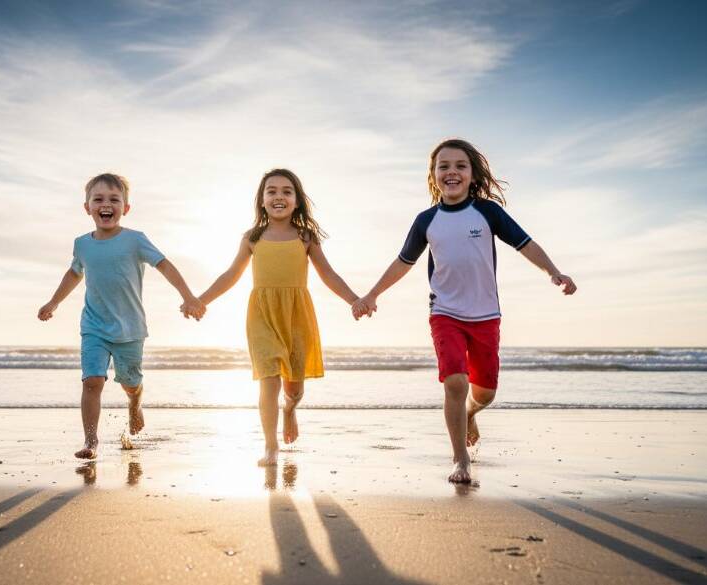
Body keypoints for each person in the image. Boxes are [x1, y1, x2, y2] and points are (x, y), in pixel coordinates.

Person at [352, 139, 577, 483]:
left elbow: (525, 244)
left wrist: (553, 271)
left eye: (460, 166)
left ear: (472, 175)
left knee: (484, 392)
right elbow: (403, 262)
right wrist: (371, 294)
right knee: (455, 383)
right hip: (444, 313)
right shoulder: (427, 220)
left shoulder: (487, 213)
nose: (452, 172)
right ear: (433, 176)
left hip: (486, 315)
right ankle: (460, 460)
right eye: (443, 166)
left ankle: (471, 412)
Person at [199, 169, 359, 466]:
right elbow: (230, 275)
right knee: (268, 378)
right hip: (262, 315)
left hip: (297, 315)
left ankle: (289, 409)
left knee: (294, 388)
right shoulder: (252, 238)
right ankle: (271, 446)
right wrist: (201, 301)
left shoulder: (305, 237)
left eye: (287, 191)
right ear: (261, 200)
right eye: (271, 191)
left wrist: (355, 300)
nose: (279, 196)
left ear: (297, 201)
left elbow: (329, 275)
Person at [38, 173, 204, 459]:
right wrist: (54, 302)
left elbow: (164, 265)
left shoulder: (135, 240)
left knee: (129, 382)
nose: (106, 204)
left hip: (130, 329)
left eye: (114, 199)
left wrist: (188, 296)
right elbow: (74, 273)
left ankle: (134, 402)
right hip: (93, 326)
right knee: (92, 381)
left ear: (125, 208)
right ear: (87, 207)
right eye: (98, 199)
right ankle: (91, 441)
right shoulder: (82, 244)